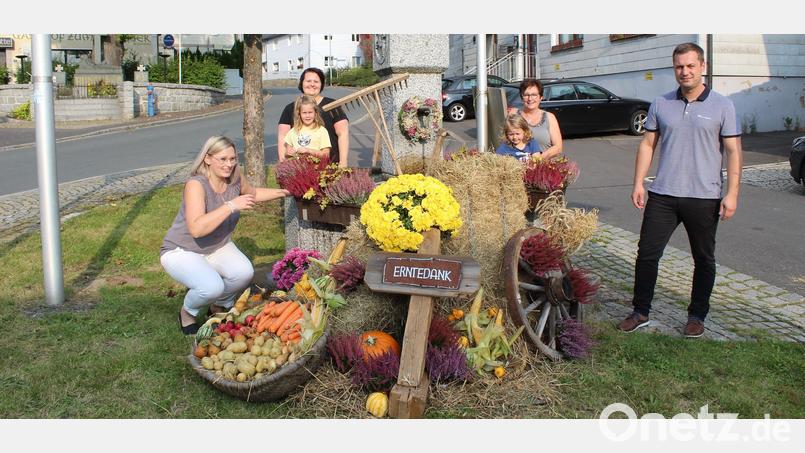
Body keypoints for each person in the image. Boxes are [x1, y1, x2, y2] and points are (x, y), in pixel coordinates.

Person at [617, 43, 743, 338]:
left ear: (703, 67)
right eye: (679, 67)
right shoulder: (661, 103)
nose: (684, 72)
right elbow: (648, 144)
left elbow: (734, 151)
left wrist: (733, 192)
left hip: (705, 197)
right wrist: (638, 182)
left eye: (690, 66)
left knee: (703, 258)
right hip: (663, 194)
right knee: (647, 254)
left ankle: (697, 315)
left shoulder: (723, 105)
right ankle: (640, 311)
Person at [160, 136, 291, 334]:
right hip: (182, 250)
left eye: (232, 159)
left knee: (243, 273)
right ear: (207, 159)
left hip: (216, 246)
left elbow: (253, 194)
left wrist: (286, 192)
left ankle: (218, 307)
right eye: (222, 159)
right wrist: (231, 205)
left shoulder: (235, 176)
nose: (229, 164)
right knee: (211, 287)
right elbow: (196, 228)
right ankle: (188, 312)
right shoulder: (196, 184)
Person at [278, 68, 349, 167]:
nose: (312, 84)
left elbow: (343, 133)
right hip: (298, 168)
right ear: (302, 83)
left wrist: (343, 162)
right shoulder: (290, 108)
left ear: (321, 84)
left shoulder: (333, 105)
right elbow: (283, 136)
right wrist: (283, 163)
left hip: (330, 165)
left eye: (316, 81)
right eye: (308, 81)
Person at [508, 78, 563, 159]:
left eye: (534, 95)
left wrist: (537, 159)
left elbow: (558, 147)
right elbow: (506, 141)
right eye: (526, 95)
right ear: (521, 97)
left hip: (543, 167)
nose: (530, 99)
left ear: (540, 97)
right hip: (518, 167)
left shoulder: (549, 117)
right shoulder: (513, 114)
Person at [284, 95, 332, 160]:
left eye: (310, 112)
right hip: (296, 169)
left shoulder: (321, 131)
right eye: (304, 113)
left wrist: (308, 151)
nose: (307, 116)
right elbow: (287, 154)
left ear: (315, 113)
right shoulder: (293, 131)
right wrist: (289, 153)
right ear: (299, 114)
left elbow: (326, 155)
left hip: (316, 169)